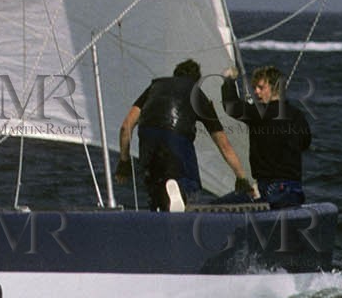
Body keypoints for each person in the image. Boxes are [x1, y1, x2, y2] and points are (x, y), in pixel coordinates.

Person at [117, 59, 248, 212]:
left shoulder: (155, 86)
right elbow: (224, 145)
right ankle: (181, 192)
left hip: (147, 136)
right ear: (197, 81)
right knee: (188, 183)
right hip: (176, 138)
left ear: (174, 75)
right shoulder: (196, 93)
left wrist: (124, 162)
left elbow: (126, 126)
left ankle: (163, 202)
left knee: (155, 186)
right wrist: (241, 177)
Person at [220, 65, 312, 208]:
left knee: (218, 206)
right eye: (254, 87)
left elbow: (231, 106)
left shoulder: (259, 113)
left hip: (272, 190)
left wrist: (229, 79)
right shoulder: (297, 115)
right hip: (294, 190)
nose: (256, 92)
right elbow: (305, 143)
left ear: (274, 88)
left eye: (261, 88)